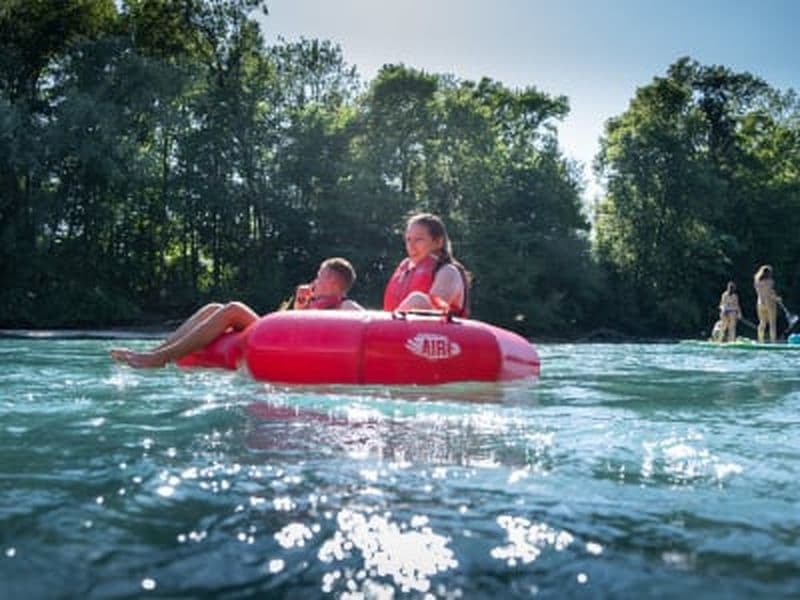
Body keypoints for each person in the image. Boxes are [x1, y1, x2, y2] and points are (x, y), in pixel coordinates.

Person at [111, 257, 363, 368]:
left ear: (331, 281)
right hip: (277, 333)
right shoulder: (311, 299)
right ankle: (154, 353)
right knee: (213, 308)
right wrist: (301, 303)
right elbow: (295, 320)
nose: (314, 280)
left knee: (233, 309)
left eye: (319, 276)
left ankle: (159, 359)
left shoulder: (344, 304)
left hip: (282, 340)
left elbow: (365, 318)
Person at [383, 212, 470, 316]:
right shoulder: (405, 269)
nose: (411, 246)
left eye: (419, 240)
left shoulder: (448, 272)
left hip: (433, 331)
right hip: (399, 326)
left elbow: (434, 314)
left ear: (438, 242)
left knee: (418, 300)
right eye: (408, 239)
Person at [754, 264, 780, 343]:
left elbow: (760, 292)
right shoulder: (770, 281)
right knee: (772, 323)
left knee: (762, 323)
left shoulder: (757, 282)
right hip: (769, 303)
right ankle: (773, 342)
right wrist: (777, 298)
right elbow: (770, 293)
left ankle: (760, 341)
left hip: (760, 303)